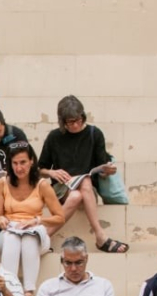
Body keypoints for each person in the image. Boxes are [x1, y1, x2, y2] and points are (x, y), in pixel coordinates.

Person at [38, 95, 127, 253]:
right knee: (79, 188)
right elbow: (40, 169)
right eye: (71, 122)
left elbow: (101, 167)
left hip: (86, 190)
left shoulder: (94, 134)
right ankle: (100, 236)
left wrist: (107, 171)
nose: (76, 125)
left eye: (79, 119)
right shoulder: (54, 137)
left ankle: (44, 236)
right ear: (63, 122)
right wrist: (52, 172)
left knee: (80, 189)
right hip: (61, 187)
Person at [0, 141, 64, 296]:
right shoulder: (3, 183)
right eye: (15, 163)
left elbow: (60, 217)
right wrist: (1, 220)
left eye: (23, 162)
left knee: (29, 238)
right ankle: (9, 289)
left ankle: (28, 291)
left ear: (32, 161)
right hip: (10, 230)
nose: (19, 168)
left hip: (36, 231)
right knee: (12, 238)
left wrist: (37, 220)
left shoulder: (42, 185)